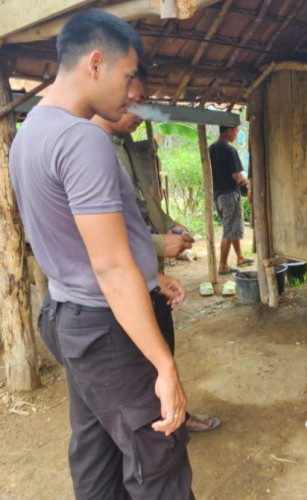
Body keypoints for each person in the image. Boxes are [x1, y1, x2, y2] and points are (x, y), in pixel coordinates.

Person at [9, 10, 194, 499]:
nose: (134, 91)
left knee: (95, 452)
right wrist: (164, 366)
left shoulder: (28, 134)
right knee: (158, 459)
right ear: (96, 63)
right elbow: (110, 268)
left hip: (68, 316)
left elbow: (70, 240)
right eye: (131, 76)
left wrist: (152, 276)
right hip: (107, 327)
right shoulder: (82, 138)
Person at [91, 67, 220, 433]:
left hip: (148, 276)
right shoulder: (92, 148)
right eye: (138, 104)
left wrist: (167, 224)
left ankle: (174, 412)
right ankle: (162, 426)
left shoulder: (124, 146)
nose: (142, 113)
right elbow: (104, 238)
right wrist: (162, 245)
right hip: (125, 283)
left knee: (162, 349)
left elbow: (140, 205)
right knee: (146, 362)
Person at [208, 125, 253, 273]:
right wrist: (246, 182)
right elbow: (237, 176)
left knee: (231, 226)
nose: (237, 133)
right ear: (229, 131)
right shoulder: (229, 150)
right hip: (229, 195)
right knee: (229, 230)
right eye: (236, 130)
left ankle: (240, 257)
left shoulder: (211, 149)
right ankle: (222, 265)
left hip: (217, 195)